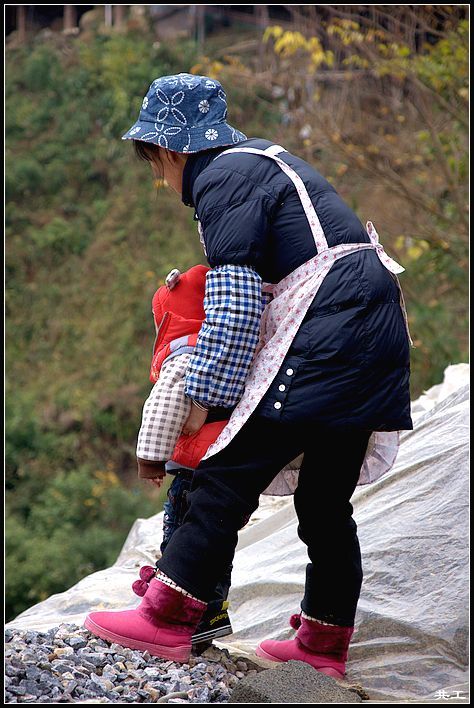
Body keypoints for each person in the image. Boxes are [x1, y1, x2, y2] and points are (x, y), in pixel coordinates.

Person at [85, 73, 413, 678]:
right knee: (324, 500)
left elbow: (234, 305)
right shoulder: (265, 162)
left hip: (330, 330)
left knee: (228, 470)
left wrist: (209, 397)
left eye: (158, 166)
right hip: (376, 332)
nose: (163, 181)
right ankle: (322, 644)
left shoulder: (223, 177)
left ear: (171, 149)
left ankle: (169, 615)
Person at [134, 263, 237, 647]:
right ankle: (212, 609)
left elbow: (160, 409)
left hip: (193, 463)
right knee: (215, 538)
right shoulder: (230, 351)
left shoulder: (185, 356)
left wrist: (151, 460)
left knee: (181, 536)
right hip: (228, 459)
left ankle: (178, 608)